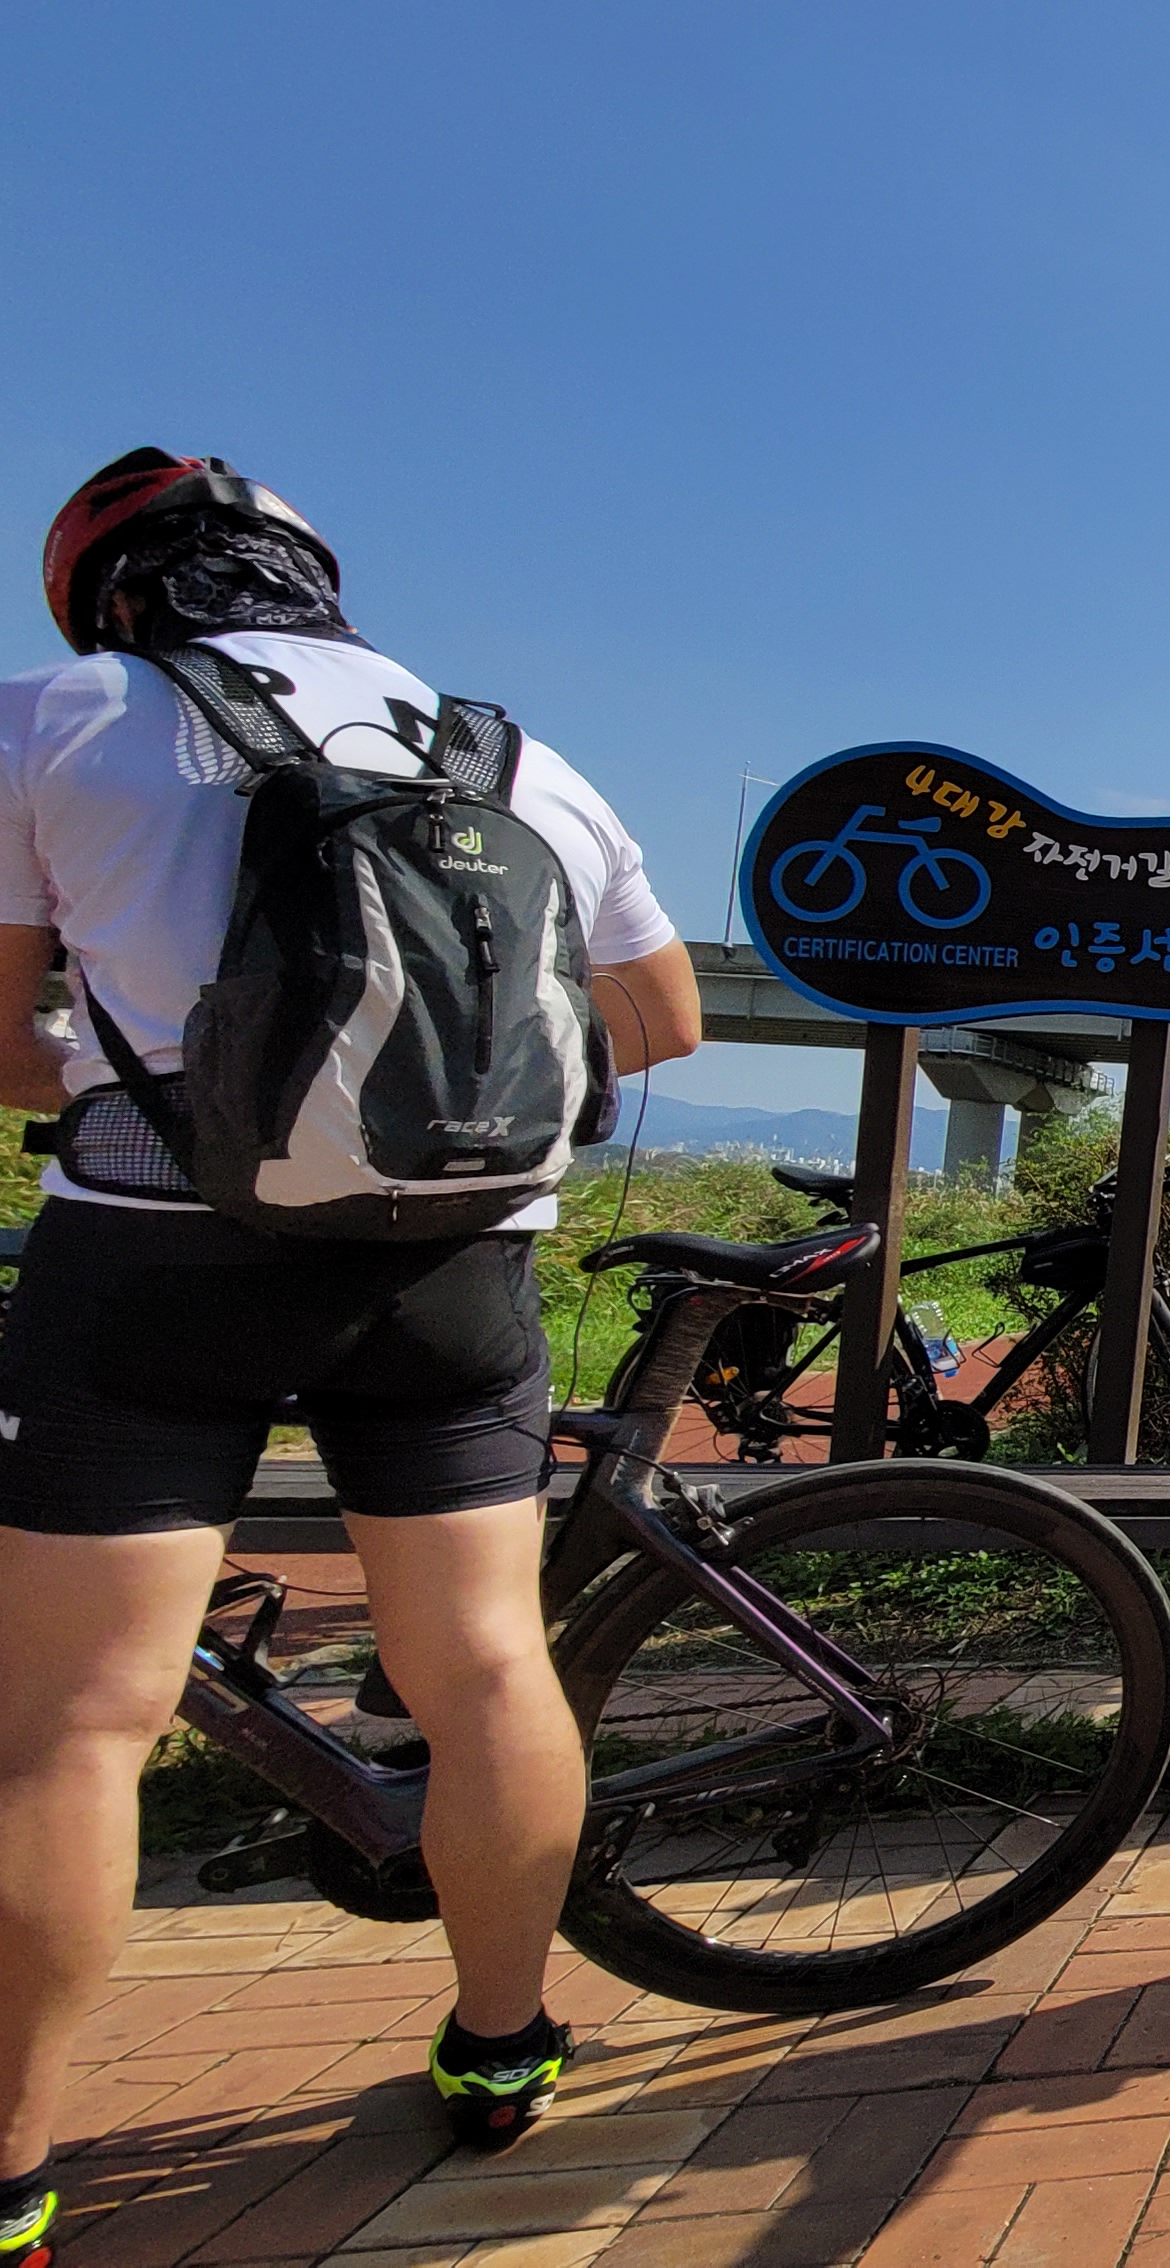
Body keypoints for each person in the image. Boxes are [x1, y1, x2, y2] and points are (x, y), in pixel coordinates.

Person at [0, 450, 703, 2252]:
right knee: (485, 1665)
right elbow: (662, 1018)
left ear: (111, 591)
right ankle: (502, 2043)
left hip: (155, 1253)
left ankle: (10, 2170)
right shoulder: (513, 755)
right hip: (453, 1270)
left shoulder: (55, 719)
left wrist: (170, 1065)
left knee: (75, 1721)